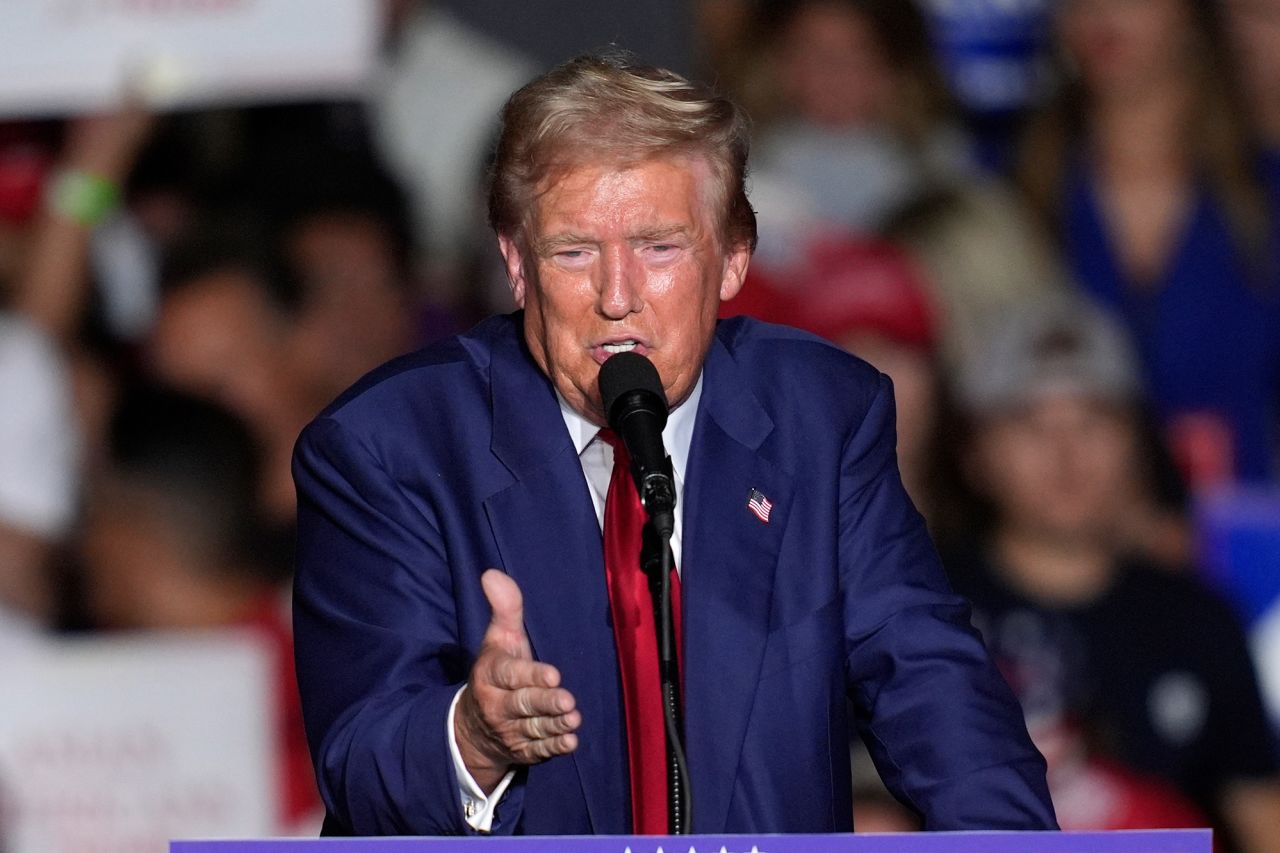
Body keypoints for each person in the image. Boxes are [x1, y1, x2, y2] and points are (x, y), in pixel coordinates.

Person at [292, 53, 1056, 837]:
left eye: (659, 247)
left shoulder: (819, 416)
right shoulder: (388, 446)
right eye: (574, 251)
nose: (616, 296)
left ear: (732, 259)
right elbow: (362, 762)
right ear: (516, 264)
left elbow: (928, 682)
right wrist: (472, 739)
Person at [948, 297, 1280, 851]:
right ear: (974, 452)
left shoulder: (1198, 620)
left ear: (1138, 443)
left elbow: (1263, 818)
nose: (1066, 454)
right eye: (1030, 424)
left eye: (1094, 421)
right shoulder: (918, 612)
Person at [1018, 0, 1280, 485]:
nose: (1098, 12)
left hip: (1251, 540)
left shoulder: (1263, 195)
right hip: (1065, 544)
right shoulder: (1015, 192)